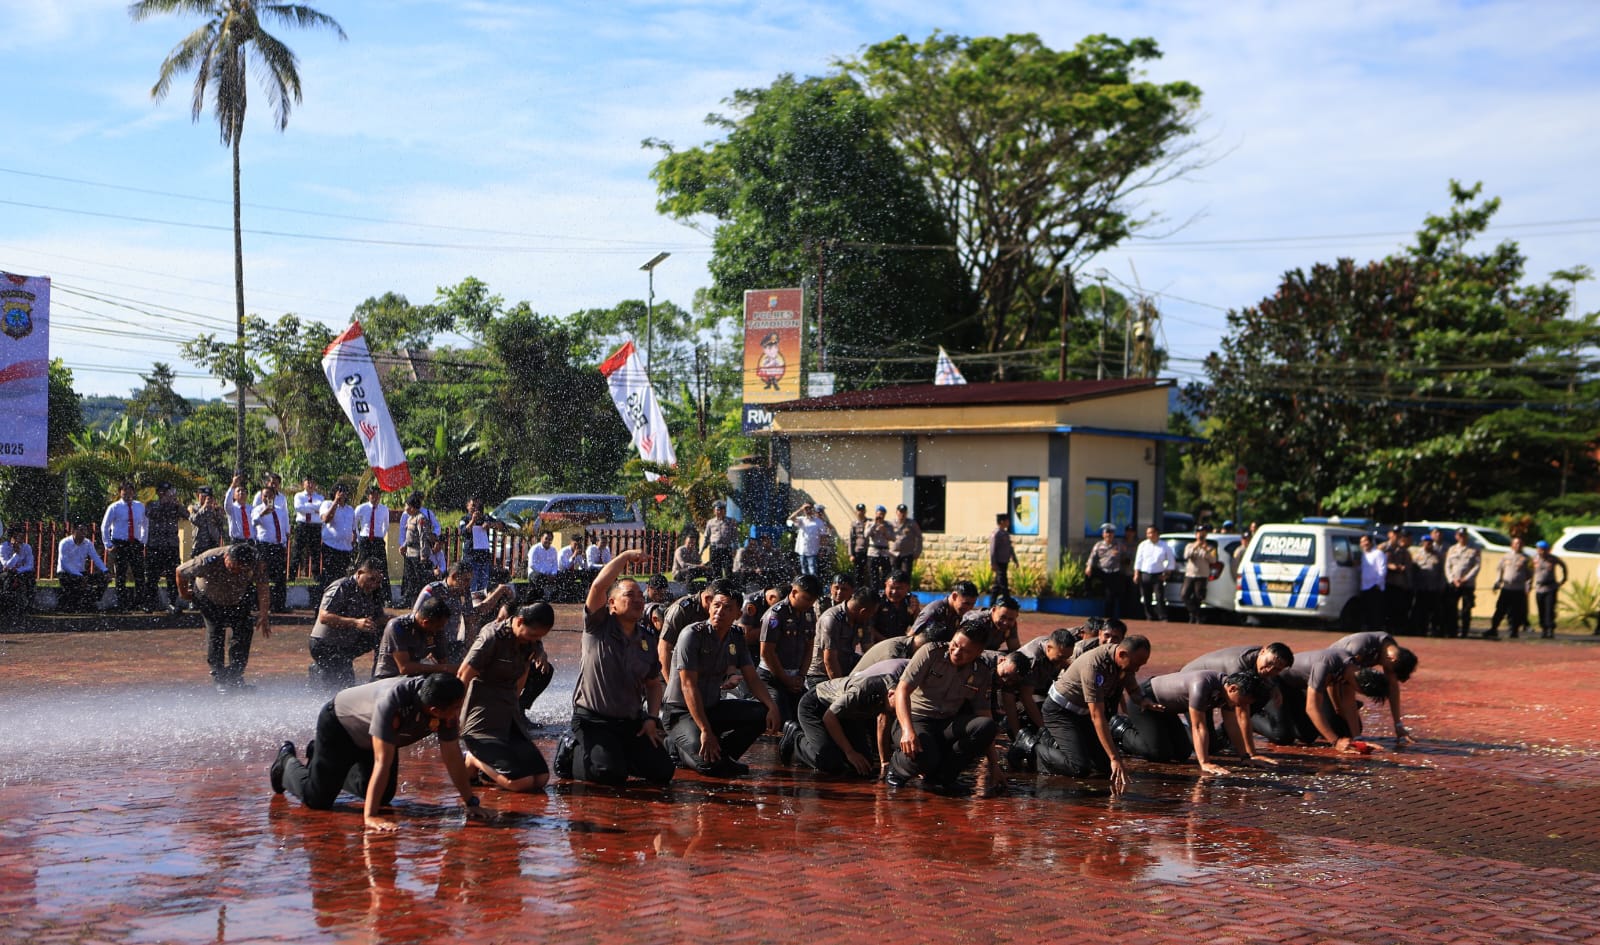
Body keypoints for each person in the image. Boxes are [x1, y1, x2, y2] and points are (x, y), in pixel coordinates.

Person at [271, 673, 490, 832]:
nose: (459, 711)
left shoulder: (444, 708)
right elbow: (382, 761)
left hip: (370, 737)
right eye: (456, 707)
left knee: (383, 795)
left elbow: (452, 756)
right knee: (317, 799)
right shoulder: (392, 704)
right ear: (434, 710)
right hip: (340, 726)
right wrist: (371, 816)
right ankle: (285, 763)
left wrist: (470, 802)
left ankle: (322, 759)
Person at [565, 549, 675, 786]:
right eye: (629, 595)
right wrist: (625, 557)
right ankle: (571, 751)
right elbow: (598, 587)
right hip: (593, 721)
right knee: (609, 774)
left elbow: (653, 684)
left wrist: (651, 718)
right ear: (611, 603)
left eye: (640, 596)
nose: (638, 600)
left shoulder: (647, 639)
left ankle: (617, 756)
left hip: (630, 722)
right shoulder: (598, 625)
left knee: (663, 771)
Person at [663, 582, 783, 777]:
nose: (720, 611)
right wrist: (704, 730)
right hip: (681, 712)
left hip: (712, 707)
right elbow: (688, 686)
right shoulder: (692, 635)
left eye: (727, 608)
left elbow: (752, 677)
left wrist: (772, 707)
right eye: (716, 605)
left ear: (737, 614)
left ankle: (721, 755)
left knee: (762, 713)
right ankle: (677, 748)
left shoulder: (736, 636)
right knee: (709, 767)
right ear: (709, 607)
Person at [887, 622, 999, 795]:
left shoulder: (982, 671)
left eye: (965, 651)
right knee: (926, 755)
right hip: (915, 718)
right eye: (955, 644)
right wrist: (907, 731)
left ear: (979, 652)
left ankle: (943, 777)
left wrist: (994, 765)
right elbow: (902, 690)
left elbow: (983, 712)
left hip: (946, 723)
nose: (956, 652)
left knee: (987, 726)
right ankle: (897, 768)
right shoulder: (931, 652)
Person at [1035, 635, 1154, 794]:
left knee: (1105, 767)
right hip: (1060, 711)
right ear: (1122, 654)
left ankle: (1067, 745)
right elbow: (1097, 716)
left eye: (1140, 665)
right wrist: (1115, 758)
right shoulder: (1094, 666)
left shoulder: (1125, 664)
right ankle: (1034, 747)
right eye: (1136, 664)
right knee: (1079, 767)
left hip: (1082, 713)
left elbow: (1133, 690)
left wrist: (1143, 700)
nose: (1137, 669)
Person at [458, 602, 555, 793]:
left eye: (540, 637)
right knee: (520, 783)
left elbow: (523, 673)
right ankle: (472, 759)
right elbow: (463, 674)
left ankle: (491, 767)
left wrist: (515, 703)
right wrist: (453, 715)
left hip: (508, 717)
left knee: (541, 777)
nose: (535, 641)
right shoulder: (492, 637)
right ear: (519, 621)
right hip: (481, 720)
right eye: (533, 635)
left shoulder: (529, 639)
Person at [1115, 670, 1274, 774]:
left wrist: (1244, 757)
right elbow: (1198, 726)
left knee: (1183, 753)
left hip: (1165, 710)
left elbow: (1232, 726)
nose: (1242, 706)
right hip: (1145, 702)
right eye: (1243, 702)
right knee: (1159, 753)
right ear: (1232, 689)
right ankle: (1119, 727)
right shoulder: (1203, 685)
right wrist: (1205, 763)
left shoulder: (1228, 694)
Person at [175, 541, 271, 692]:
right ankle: (219, 677)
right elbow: (181, 571)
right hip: (209, 598)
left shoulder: (255, 562)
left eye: (241, 570)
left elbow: (262, 586)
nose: (235, 572)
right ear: (226, 557)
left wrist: (263, 613)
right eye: (232, 567)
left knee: (243, 633)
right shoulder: (208, 559)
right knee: (216, 634)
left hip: (237, 598)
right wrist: (184, 594)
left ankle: (235, 676)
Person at [788, 656, 907, 778]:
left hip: (848, 715)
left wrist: (884, 762)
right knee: (830, 762)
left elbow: (883, 722)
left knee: (864, 765)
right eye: (894, 711)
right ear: (891, 694)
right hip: (817, 706)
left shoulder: (896, 694)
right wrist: (849, 752)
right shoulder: (863, 689)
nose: (895, 714)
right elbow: (829, 717)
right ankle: (796, 737)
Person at [1250, 646, 1362, 751]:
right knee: (1281, 736)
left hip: (1299, 685)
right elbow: (1312, 708)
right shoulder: (1323, 666)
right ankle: (1251, 715)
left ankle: (1287, 716)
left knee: (1308, 735)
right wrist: (1336, 742)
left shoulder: (1352, 667)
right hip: (1279, 682)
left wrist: (1358, 740)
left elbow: (1347, 702)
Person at [414, 562, 516, 667]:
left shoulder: (464, 592)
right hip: (429, 646)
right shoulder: (432, 591)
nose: (468, 584)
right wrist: (427, 648)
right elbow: (416, 620)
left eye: (470, 581)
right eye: (466, 580)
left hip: (451, 644)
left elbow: (470, 619)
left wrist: (468, 649)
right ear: (454, 576)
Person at [308, 558, 387, 690]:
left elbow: (378, 618)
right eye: (371, 579)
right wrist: (355, 622)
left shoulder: (374, 592)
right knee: (342, 685)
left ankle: (378, 677)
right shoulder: (341, 586)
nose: (373, 585)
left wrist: (393, 620)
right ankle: (320, 670)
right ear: (360, 573)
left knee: (385, 632)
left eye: (378, 581)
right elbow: (324, 617)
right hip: (324, 644)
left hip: (347, 644)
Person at [1332, 631, 1419, 745]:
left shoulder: (1391, 650)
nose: (1389, 673)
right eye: (1390, 671)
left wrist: (1398, 724)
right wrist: (1338, 709)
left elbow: (1392, 687)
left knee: (1351, 727)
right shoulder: (1359, 650)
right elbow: (1345, 691)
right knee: (1339, 729)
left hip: (1341, 681)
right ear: (1392, 659)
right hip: (1326, 682)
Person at [757, 574, 823, 723]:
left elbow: (809, 647)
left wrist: (801, 676)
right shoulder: (775, 615)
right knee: (784, 719)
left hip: (795, 678)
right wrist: (786, 680)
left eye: (813, 600)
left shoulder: (809, 613)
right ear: (794, 592)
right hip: (772, 677)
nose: (810, 603)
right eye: (807, 598)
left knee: (813, 712)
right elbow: (767, 653)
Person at [1000, 627, 1076, 740]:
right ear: (1049, 648)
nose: (1063, 660)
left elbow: (1066, 662)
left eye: (1066, 657)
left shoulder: (1054, 646)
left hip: (1036, 687)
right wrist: (1044, 728)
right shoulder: (1033, 660)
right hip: (1015, 696)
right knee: (1047, 706)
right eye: (1061, 657)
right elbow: (1026, 698)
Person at [805, 586, 882, 686]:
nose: (871, 616)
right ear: (863, 611)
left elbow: (869, 650)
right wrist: (842, 688)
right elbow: (829, 660)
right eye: (871, 614)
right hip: (822, 675)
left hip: (846, 669)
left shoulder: (862, 619)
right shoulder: (832, 619)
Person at [372, 596, 456, 680]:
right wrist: (443, 668)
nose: (440, 630)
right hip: (387, 680)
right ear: (425, 623)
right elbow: (404, 668)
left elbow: (443, 662)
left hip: (411, 679)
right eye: (438, 627)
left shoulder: (436, 630)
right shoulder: (397, 627)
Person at [100, 479, 148, 612]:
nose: (127, 493)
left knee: (139, 574)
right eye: (124, 490)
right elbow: (105, 526)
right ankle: (122, 604)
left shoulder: (140, 506)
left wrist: (143, 541)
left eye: (130, 490)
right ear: (120, 492)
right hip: (120, 544)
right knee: (120, 575)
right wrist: (108, 544)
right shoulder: (114, 507)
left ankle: (139, 603)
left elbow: (145, 524)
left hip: (135, 543)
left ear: (133, 492)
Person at [249, 473, 291, 612]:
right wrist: (263, 512)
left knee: (280, 577)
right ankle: (260, 605)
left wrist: (284, 542)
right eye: (265, 496)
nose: (267, 498)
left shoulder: (280, 510)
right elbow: (254, 522)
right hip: (264, 546)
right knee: (262, 576)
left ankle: (279, 605)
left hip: (278, 546)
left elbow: (283, 526)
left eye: (270, 496)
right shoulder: (257, 509)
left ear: (274, 497)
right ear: (261, 497)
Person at [144, 482, 184, 613]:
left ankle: (172, 602)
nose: (167, 494)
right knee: (152, 576)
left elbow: (186, 515)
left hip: (171, 545)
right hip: (155, 545)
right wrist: (164, 503)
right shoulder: (152, 505)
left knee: (172, 576)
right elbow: (150, 514)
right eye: (165, 492)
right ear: (159, 493)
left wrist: (177, 504)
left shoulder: (175, 506)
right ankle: (150, 603)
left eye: (169, 492)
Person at [458, 497, 509, 593]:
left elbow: (503, 526)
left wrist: (490, 525)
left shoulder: (485, 518)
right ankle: (472, 601)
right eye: (473, 505)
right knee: (472, 585)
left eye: (477, 506)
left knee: (484, 586)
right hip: (471, 557)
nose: (475, 508)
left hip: (484, 557)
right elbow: (463, 532)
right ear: (467, 506)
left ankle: (483, 600)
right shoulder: (464, 519)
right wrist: (472, 521)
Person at [55, 522, 108, 612]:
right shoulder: (64, 543)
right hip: (66, 573)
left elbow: (95, 558)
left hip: (81, 573)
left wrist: (105, 570)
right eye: (81, 530)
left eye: (85, 530)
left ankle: (93, 600)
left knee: (104, 578)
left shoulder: (88, 543)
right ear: (73, 531)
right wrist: (79, 576)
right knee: (76, 584)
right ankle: (79, 604)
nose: (84, 533)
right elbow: (65, 564)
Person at [397, 494, 438, 607]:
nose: (405, 508)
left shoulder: (421, 518)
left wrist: (423, 555)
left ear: (411, 507)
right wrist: (404, 546)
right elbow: (409, 536)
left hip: (417, 554)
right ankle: (409, 602)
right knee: (410, 579)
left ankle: (422, 603)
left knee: (419, 579)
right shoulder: (410, 518)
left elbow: (423, 537)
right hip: (409, 553)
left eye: (406, 505)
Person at [353, 485, 393, 603]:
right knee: (362, 566)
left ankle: (385, 597)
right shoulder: (361, 508)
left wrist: (380, 535)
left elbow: (386, 525)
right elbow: (354, 523)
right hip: (365, 539)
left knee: (382, 567)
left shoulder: (384, 509)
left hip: (378, 540)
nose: (375, 498)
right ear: (368, 496)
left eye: (377, 495)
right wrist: (359, 537)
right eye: (373, 495)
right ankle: (358, 594)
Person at [1487, 536, 1532, 640]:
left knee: (1516, 611)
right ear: (1512, 545)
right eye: (1516, 543)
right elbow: (1500, 570)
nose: (1518, 545)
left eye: (1520, 543)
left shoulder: (1527, 558)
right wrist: (1497, 582)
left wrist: (1528, 586)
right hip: (1506, 588)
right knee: (1500, 609)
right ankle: (1493, 628)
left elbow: (1530, 574)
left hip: (1518, 589)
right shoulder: (1505, 557)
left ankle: (1513, 631)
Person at [1084, 523, 1129, 621]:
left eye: (1111, 533)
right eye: (1107, 533)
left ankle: (1108, 617)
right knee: (1088, 572)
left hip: (1114, 572)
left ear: (1113, 534)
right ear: (1103, 534)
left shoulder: (1119, 545)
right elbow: (1092, 557)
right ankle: (1088, 591)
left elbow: (1126, 559)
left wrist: (1120, 557)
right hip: (1102, 571)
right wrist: (1089, 567)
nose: (1109, 535)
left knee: (1110, 595)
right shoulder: (1098, 545)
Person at [318, 484, 357, 598]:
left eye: (344, 492)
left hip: (345, 548)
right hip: (331, 547)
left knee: (342, 578)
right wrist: (335, 502)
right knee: (329, 577)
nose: (342, 494)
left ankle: (339, 601)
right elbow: (326, 519)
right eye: (339, 491)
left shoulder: (350, 510)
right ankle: (324, 601)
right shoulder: (327, 504)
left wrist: (353, 539)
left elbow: (353, 528)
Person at [910, 581, 979, 641]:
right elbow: (910, 637)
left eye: (973, 604)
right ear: (954, 596)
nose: (969, 608)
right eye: (966, 603)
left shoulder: (958, 613)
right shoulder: (935, 611)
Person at [1133, 525, 1176, 622]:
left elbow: (1171, 561)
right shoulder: (1143, 545)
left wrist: (1167, 573)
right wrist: (1136, 573)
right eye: (1148, 533)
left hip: (1158, 574)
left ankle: (1162, 617)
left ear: (1157, 533)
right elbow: (1138, 560)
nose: (1150, 535)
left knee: (1159, 596)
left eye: (1151, 533)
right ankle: (1149, 617)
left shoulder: (1164, 546)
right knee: (1146, 597)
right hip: (1145, 574)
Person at [1443, 528, 1481, 638]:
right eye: (1460, 535)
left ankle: (1464, 632)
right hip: (1454, 583)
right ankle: (1452, 631)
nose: (1462, 537)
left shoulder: (1474, 549)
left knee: (1466, 609)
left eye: (1464, 535)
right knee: (1451, 608)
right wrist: (1452, 579)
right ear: (1456, 536)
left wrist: (1466, 579)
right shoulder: (1452, 549)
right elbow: (1447, 566)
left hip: (1467, 584)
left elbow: (1477, 566)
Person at [291, 476, 325, 584]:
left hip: (315, 526)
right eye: (308, 482)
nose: (310, 485)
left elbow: (321, 508)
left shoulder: (320, 497)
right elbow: (298, 508)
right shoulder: (299, 495)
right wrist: (314, 509)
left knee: (315, 552)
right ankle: (291, 575)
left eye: (312, 483)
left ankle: (316, 576)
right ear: (303, 484)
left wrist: (307, 507)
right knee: (297, 551)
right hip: (302, 525)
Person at [1179, 525, 1215, 624]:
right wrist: (1195, 546)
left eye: (1203, 534)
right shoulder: (1190, 545)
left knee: (1198, 597)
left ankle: (1195, 617)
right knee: (1184, 595)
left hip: (1202, 575)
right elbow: (1186, 556)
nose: (1201, 536)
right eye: (1199, 534)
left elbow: (1213, 560)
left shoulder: (1210, 547)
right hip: (1190, 574)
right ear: (1196, 535)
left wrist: (1206, 550)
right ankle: (1196, 614)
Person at [1409, 534, 1444, 636]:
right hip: (1421, 588)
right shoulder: (1417, 555)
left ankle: (1434, 630)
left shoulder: (1438, 555)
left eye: (1430, 542)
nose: (1428, 544)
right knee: (1421, 611)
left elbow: (1442, 572)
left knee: (1434, 611)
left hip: (1433, 588)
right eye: (1426, 542)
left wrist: (1441, 586)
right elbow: (1413, 572)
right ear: (1422, 543)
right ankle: (1421, 630)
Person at [1532, 540, 1567, 639]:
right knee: (1541, 609)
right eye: (1539, 549)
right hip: (1539, 588)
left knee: (1550, 609)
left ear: (1548, 550)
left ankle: (1550, 629)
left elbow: (1563, 565)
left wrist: (1564, 578)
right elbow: (1529, 571)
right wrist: (1528, 583)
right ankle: (1543, 629)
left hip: (1550, 587)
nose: (1541, 551)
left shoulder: (1553, 559)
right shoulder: (1534, 559)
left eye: (1543, 549)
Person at [1383, 527, 1415, 633]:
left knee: (1397, 608)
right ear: (1390, 534)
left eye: (1399, 534)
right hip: (1386, 583)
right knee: (1386, 608)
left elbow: (1408, 568)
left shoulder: (1403, 550)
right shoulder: (1382, 547)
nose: (1397, 536)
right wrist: (1393, 567)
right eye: (1395, 533)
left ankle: (1396, 628)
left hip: (1399, 584)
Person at [788, 501, 831, 576]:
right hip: (802, 550)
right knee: (804, 571)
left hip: (813, 551)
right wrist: (801, 509)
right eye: (806, 509)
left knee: (813, 572)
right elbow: (791, 518)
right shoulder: (802, 520)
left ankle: (814, 583)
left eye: (809, 508)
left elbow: (823, 536)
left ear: (813, 509)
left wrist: (822, 549)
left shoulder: (818, 522)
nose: (808, 510)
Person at [871, 571, 914, 644]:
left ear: (907, 588)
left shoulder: (910, 602)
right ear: (885, 585)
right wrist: (888, 642)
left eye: (899, 588)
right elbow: (868, 627)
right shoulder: (877, 601)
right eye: (891, 587)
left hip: (900, 643)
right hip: (878, 644)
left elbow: (918, 625)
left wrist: (916, 611)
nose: (894, 592)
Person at [0, 529, 36, 614]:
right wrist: (16, 554)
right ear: (11, 538)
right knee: (7, 579)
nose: (20, 539)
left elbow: (30, 565)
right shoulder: (3, 547)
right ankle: (6, 605)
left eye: (21, 537)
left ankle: (29, 605)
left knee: (30, 578)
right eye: (17, 537)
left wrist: (18, 570)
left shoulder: (27, 547)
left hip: (20, 572)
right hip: (6, 573)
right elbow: (6, 565)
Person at [701, 500, 739, 580]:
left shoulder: (731, 522)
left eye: (722, 510)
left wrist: (735, 549)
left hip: (726, 549)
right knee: (716, 571)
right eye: (718, 510)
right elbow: (706, 537)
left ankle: (728, 586)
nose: (720, 512)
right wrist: (702, 550)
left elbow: (735, 537)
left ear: (725, 511)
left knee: (728, 571)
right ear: (714, 511)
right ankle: (717, 586)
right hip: (715, 549)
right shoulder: (710, 522)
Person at [988, 514, 1018, 601]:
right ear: (1002, 522)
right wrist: (993, 563)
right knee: (1003, 583)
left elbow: (1010, 548)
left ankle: (992, 603)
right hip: (999, 562)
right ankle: (1007, 601)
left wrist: (1015, 559)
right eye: (1007, 521)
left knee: (997, 585)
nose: (1008, 523)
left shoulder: (1005, 534)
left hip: (1005, 561)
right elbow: (993, 550)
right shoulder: (996, 534)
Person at [189, 486, 226, 556]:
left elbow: (221, 524)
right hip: (199, 544)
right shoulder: (194, 508)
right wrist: (204, 506)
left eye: (208, 497)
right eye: (203, 496)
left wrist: (217, 511)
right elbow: (194, 520)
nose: (206, 498)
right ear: (198, 495)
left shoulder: (214, 508)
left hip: (213, 543)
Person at [889, 504, 922, 579]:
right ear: (896, 512)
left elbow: (919, 537)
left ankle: (905, 587)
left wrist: (917, 552)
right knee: (894, 576)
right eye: (900, 512)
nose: (902, 514)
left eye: (904, 512)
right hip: (894, 554)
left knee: (905, 576)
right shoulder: (891, 523)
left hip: (907, 553)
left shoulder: (912, 523)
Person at [526, 530, 560, 599]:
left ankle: (558, 596)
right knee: (539, 577)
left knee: (563, 575)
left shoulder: (553, 550)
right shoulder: (535, 549)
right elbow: (532, 565)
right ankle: (539, 597)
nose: (548, 541)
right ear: (541, 538)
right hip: (535, 573)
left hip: (550, 574)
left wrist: (553, 574)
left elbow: (555, 564)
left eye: (550, 539)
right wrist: (546, 574)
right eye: (546, 538)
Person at [865, 505, 892, 586]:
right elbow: (866, 535)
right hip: (873, 552)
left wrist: (885, 531)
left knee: (886, 573)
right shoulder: (870, 523)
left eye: (882, 514)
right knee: (873, 574)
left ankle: (885, 589)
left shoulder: (888, 525)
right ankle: (874, 590)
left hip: (884, 552)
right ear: (876, 514)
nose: (880, 516)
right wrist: (874, 524)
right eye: (879, 514)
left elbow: (893, 537)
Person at [223, 480, 253, 545]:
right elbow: (227, 501)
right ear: (234, 496)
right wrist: (233, 484)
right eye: (238, 491)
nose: (241, 492)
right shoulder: (231, 508)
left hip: (251, 541)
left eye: (243, 490)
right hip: (237, 541)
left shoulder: (251, 508)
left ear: (246, 494)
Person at [848, 503, 871, 585]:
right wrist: (851, 554)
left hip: (869, 551)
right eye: (859, 511)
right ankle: (858, 588)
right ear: (856, 512)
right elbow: (851, 539)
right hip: (858, 551)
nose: (861, 512)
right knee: (858, 572)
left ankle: (868, 588)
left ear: (865, 511)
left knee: (869, 571)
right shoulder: (854, 524)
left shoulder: (870, 522)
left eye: (862, 510)